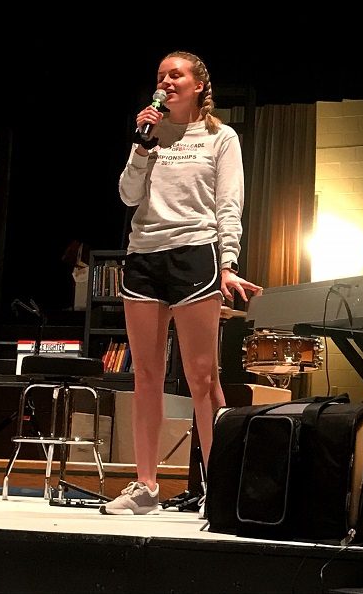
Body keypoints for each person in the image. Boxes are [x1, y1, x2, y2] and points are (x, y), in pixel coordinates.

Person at [101, 50, 262, 515]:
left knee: (201, 376)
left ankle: (220, 485)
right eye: (160, 76)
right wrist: (141, 147)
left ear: (198, 86)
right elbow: (128, 196)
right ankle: (146, 486)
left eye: (176, 75)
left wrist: (227, 262)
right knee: (146, 375)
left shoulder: (220, 137)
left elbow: (229, 204)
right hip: (144, 255)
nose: (166, 81)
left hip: (195, 255)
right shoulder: (149, 135)